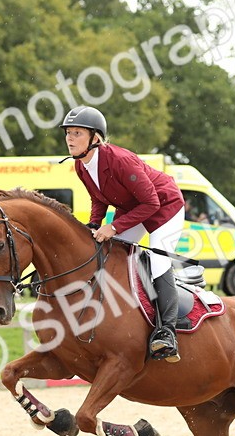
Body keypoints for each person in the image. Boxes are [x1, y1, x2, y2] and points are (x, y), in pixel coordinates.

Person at [61, 105, 186, 362]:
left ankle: (167, 332)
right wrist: (94, 224)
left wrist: (114, 227)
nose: (70, 139)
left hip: (165, 206)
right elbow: (98, 199)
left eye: (76, 133)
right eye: (68, 133)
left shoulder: (119, 159)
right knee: (110, 254)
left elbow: (151, 203)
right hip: (133, 209)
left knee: (158, 262)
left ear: (95, 138)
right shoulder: (81, 166)